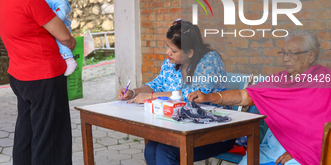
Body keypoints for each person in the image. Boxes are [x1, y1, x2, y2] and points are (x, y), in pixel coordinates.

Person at [189, 30, 331, 165]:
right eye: (284, 53)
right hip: (273, 148)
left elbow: (325, 130)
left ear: (311, 56)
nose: (286, 59)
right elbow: (244, 96)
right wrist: (208, 97)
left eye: (292, 54)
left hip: (311, 153)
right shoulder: (279, 81)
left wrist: (299, 153)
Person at [0, 0, 76, 165]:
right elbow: (63, 36)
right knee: (50, 139)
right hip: (43, 77)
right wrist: (71, 43)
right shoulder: (31, 0)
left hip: (20, 77)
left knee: (27, 133)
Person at [117, 19, 235, 165]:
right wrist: (134, 93)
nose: (168, 53)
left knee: (166, 151)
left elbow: (194, 94)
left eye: (173, 51)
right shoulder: (170, 63)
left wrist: (152, 97)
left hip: (215, 131)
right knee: (151, 149)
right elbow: (157, 84)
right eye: (167, 47)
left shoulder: (210, 61)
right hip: (180, 127)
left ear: (190, 52)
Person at [37, 0, 77, 76]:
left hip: (60, 25)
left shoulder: (60, 2)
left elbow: (59, 18)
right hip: (50, 24)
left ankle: (70, 60)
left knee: (62, 41)